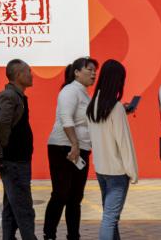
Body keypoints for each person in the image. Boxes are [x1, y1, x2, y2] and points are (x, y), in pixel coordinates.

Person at [43, 56, 98, 240]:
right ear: (76, 72)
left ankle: (73, 235)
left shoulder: (85, 94)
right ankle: (49, 235)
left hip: (80, 150)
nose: (93, 73)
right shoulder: (70, 91)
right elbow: (66, 119)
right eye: (89, 69)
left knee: (76, 197)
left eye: (95, 70)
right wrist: (74, 145)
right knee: (61, 194)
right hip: (63, 148)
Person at [86, 59, 138, 240]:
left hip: (101, 169)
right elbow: (124, 143)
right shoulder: (116, 109)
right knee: (110, 218)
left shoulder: (93, 105)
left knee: (110, 217)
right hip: (117, 172)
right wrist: (132, 172)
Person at [0, 58, 37, 240]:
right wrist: (5, 147)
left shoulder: (17, 96)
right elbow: (1, 124)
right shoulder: (10, 96)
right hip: (13, 162)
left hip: (16, 161)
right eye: (28, 71)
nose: (31, 75)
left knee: (11, 208)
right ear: (19, 75)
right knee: (24, 209)